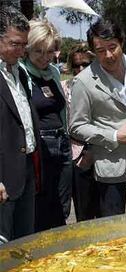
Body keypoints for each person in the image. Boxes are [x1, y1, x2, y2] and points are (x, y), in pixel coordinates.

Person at [69, 19, 126, 217]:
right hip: (111, 167)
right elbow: (76, 126)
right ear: (93, 51)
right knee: (113, 226)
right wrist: (113, 135)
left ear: (122, 43)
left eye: (112, 47)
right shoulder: (84, 81)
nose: (108, 55)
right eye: (100, 50)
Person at [21, 19, 71, 232]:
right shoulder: (21, 73)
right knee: (42, 207)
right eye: (38, 51)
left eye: (49, 51)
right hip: (41, 146)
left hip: (63, 143)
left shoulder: (54, 72)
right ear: (28, 49)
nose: (44, 57)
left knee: (63, 206)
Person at [0, 6, 41, 243]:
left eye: (24, 45)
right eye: (15, 44)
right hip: (4, 179)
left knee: (25, 244)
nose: (22, 51)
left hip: (26, 173)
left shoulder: (20, 72)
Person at [62, 43, 100, 222]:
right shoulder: (64, 88)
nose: (80, 69)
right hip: (76, 157)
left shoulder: (101, 87)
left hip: (101, 155)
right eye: (76, 65)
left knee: (105, 213)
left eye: (85, 64)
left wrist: (93, 151)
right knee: (83, 214)